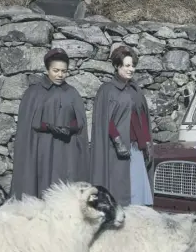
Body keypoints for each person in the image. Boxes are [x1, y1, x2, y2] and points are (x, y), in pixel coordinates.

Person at [10, 48, 90, 199]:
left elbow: (79, 121)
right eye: (56, 70)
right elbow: (30, 125)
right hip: (41, 149)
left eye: (64, 71)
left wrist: (69, 128)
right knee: (42, 183)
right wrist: (49, 127)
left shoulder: (72, 92)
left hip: (65, 149)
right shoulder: (34, 93)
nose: (60, 75)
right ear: (47, 69)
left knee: (63, 186)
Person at [90, 46, 154, 206]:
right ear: (117, 66)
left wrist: (146, 142)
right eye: (127, 65)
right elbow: (105, 119)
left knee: (138, 193)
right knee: (121, 191)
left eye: (132, 65)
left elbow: (142, 117)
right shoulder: (107, 90)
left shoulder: (135, 90)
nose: (131, 69)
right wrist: (117, 141)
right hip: (116, 150)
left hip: (135, 148)